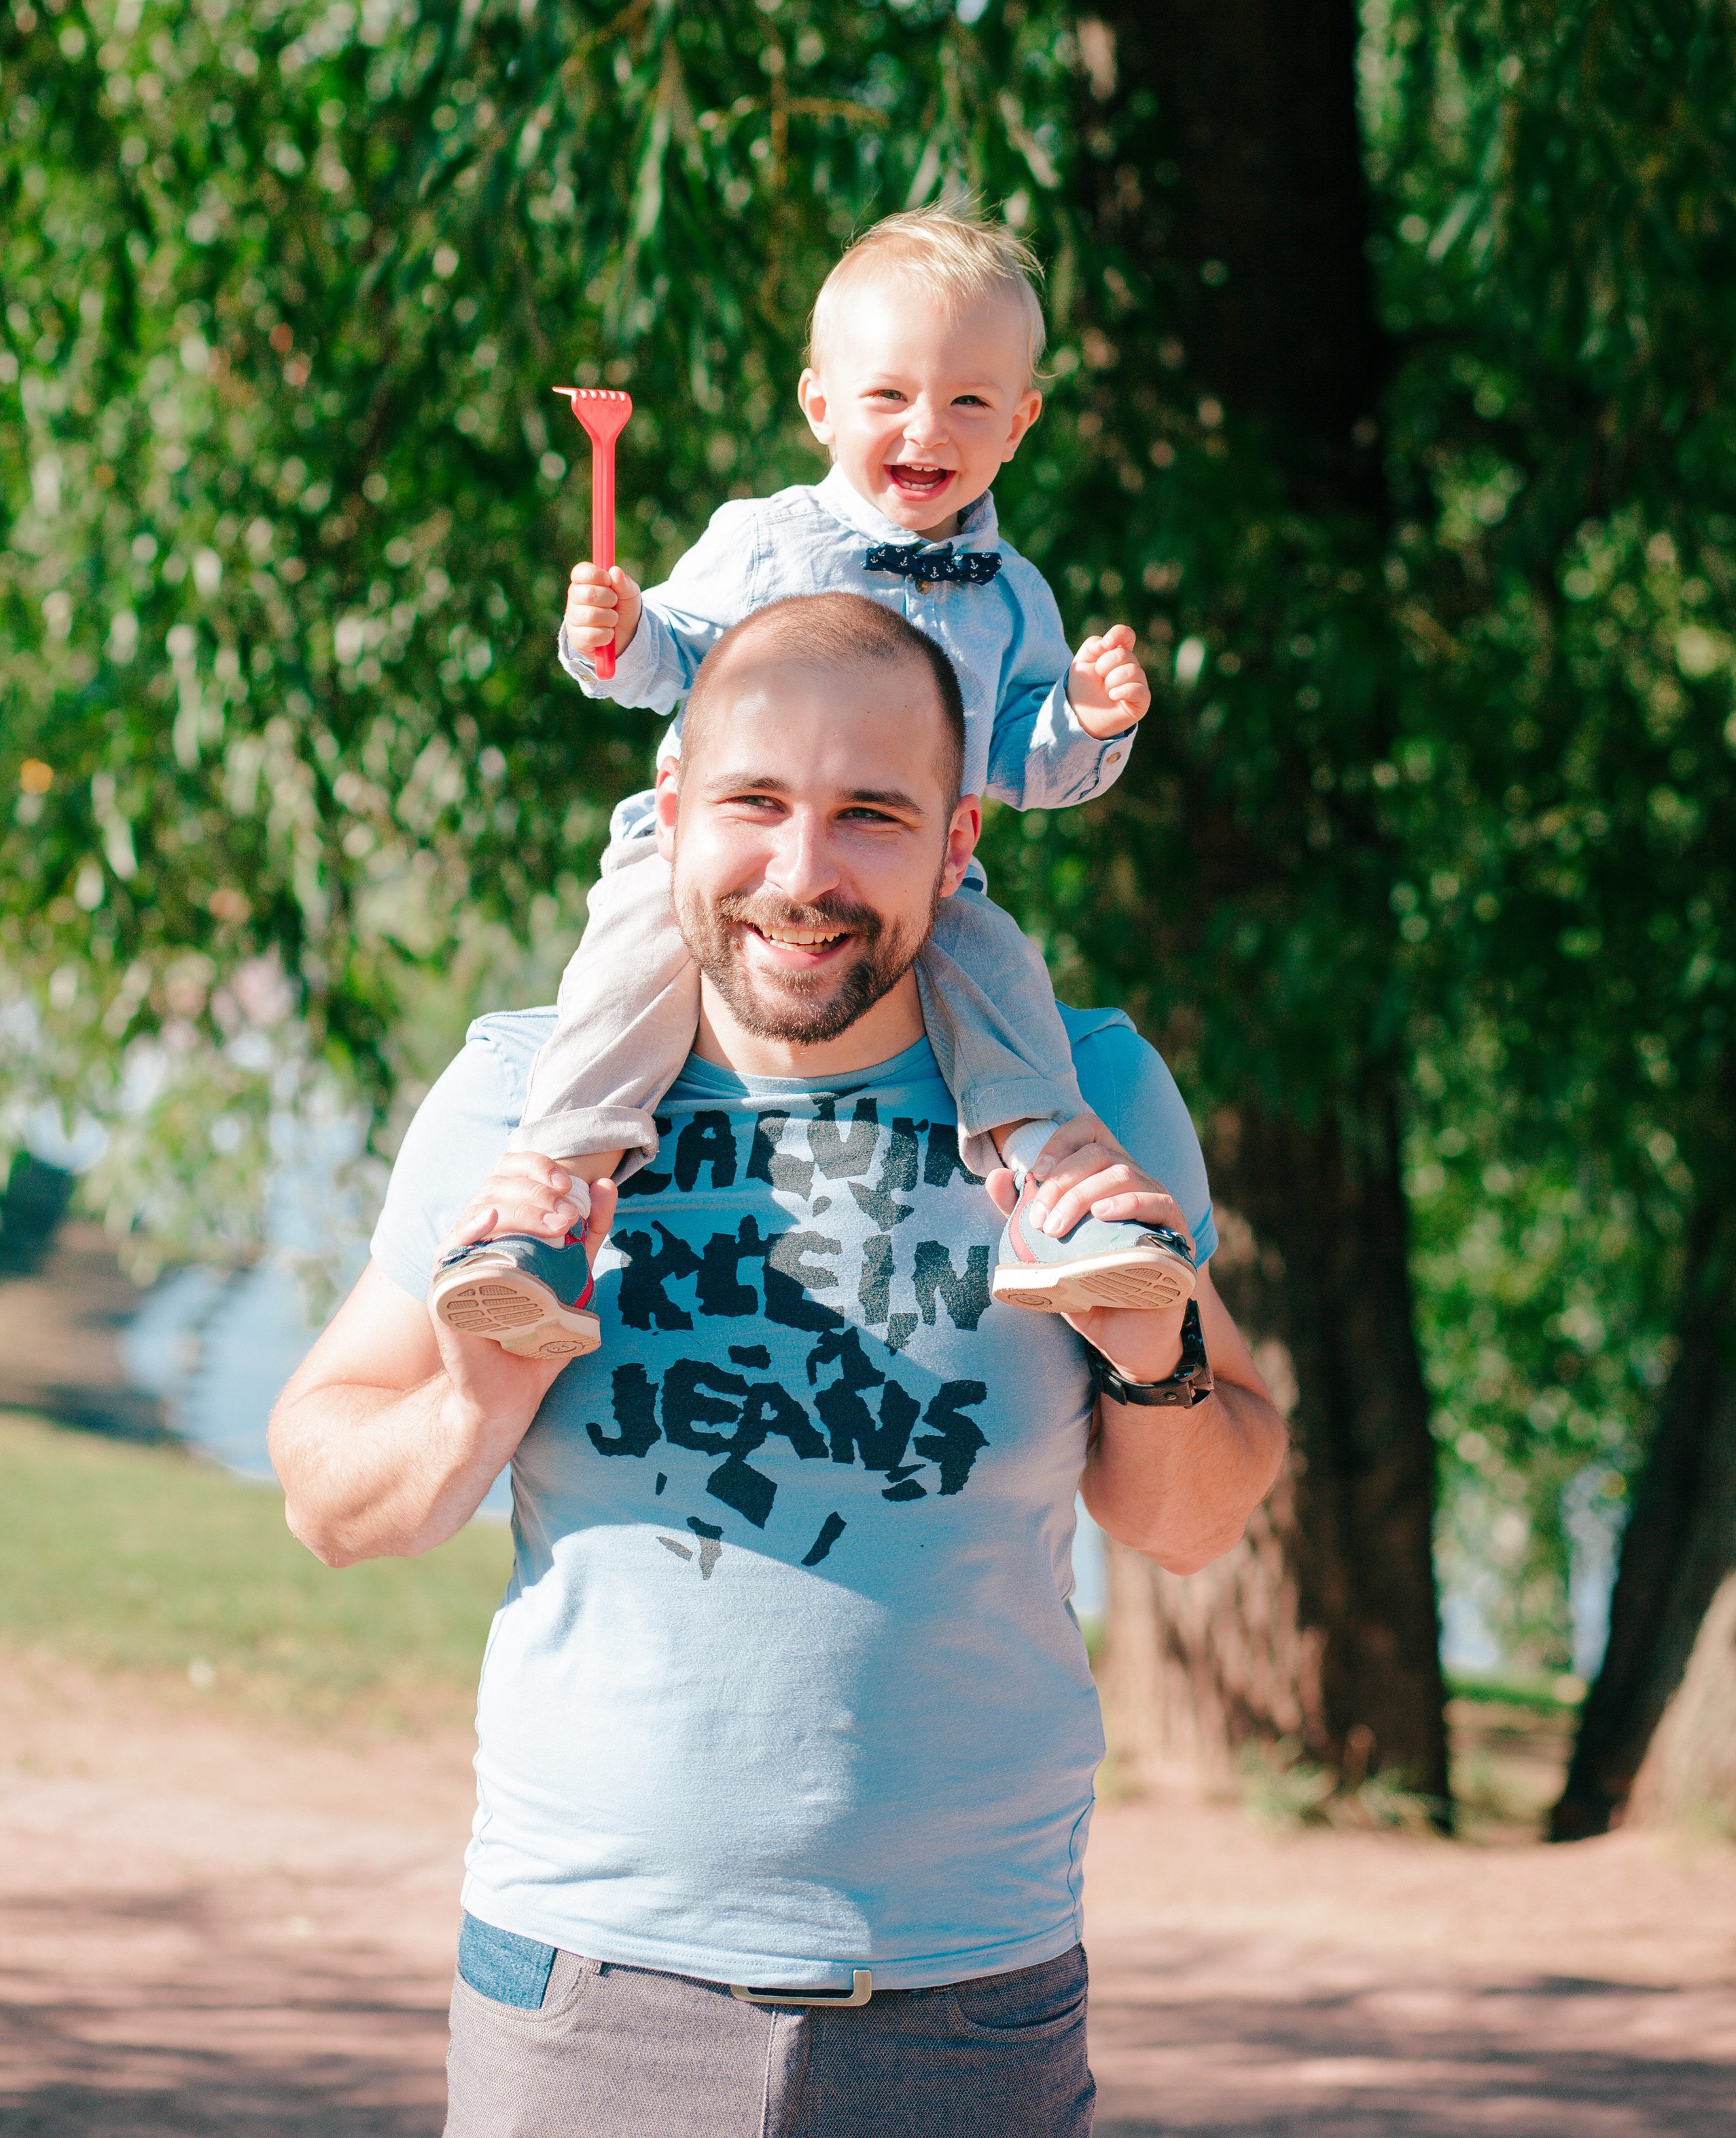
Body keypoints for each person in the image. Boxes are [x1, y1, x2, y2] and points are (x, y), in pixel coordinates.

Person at [268, 596, 1286, 2138]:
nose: (801, 876)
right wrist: (478, 1401)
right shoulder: (525, 1105)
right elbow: (332, 1498)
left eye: (869, 816)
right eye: (754, 803)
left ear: (956, 848)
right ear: (669, 812)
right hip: (585, 2004)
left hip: (969, 2014)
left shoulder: (1084, 1106)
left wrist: (1153, 1354)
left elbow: (1197, 1519)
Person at [431, 209, 1184, 1354]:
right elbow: (666, 661)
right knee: (632, 962)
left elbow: (1026, 768)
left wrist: (1084, 719)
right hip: (710, 853)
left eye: (970, 402)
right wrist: (619, 628)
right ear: (821, 406)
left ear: (1021, 422)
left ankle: (1054, 1188)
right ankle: (544, 1204)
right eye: (889, 397)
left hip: (914, 871)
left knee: (1000, 975)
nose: (927, 426)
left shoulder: (1015, 597)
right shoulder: (763, 543)